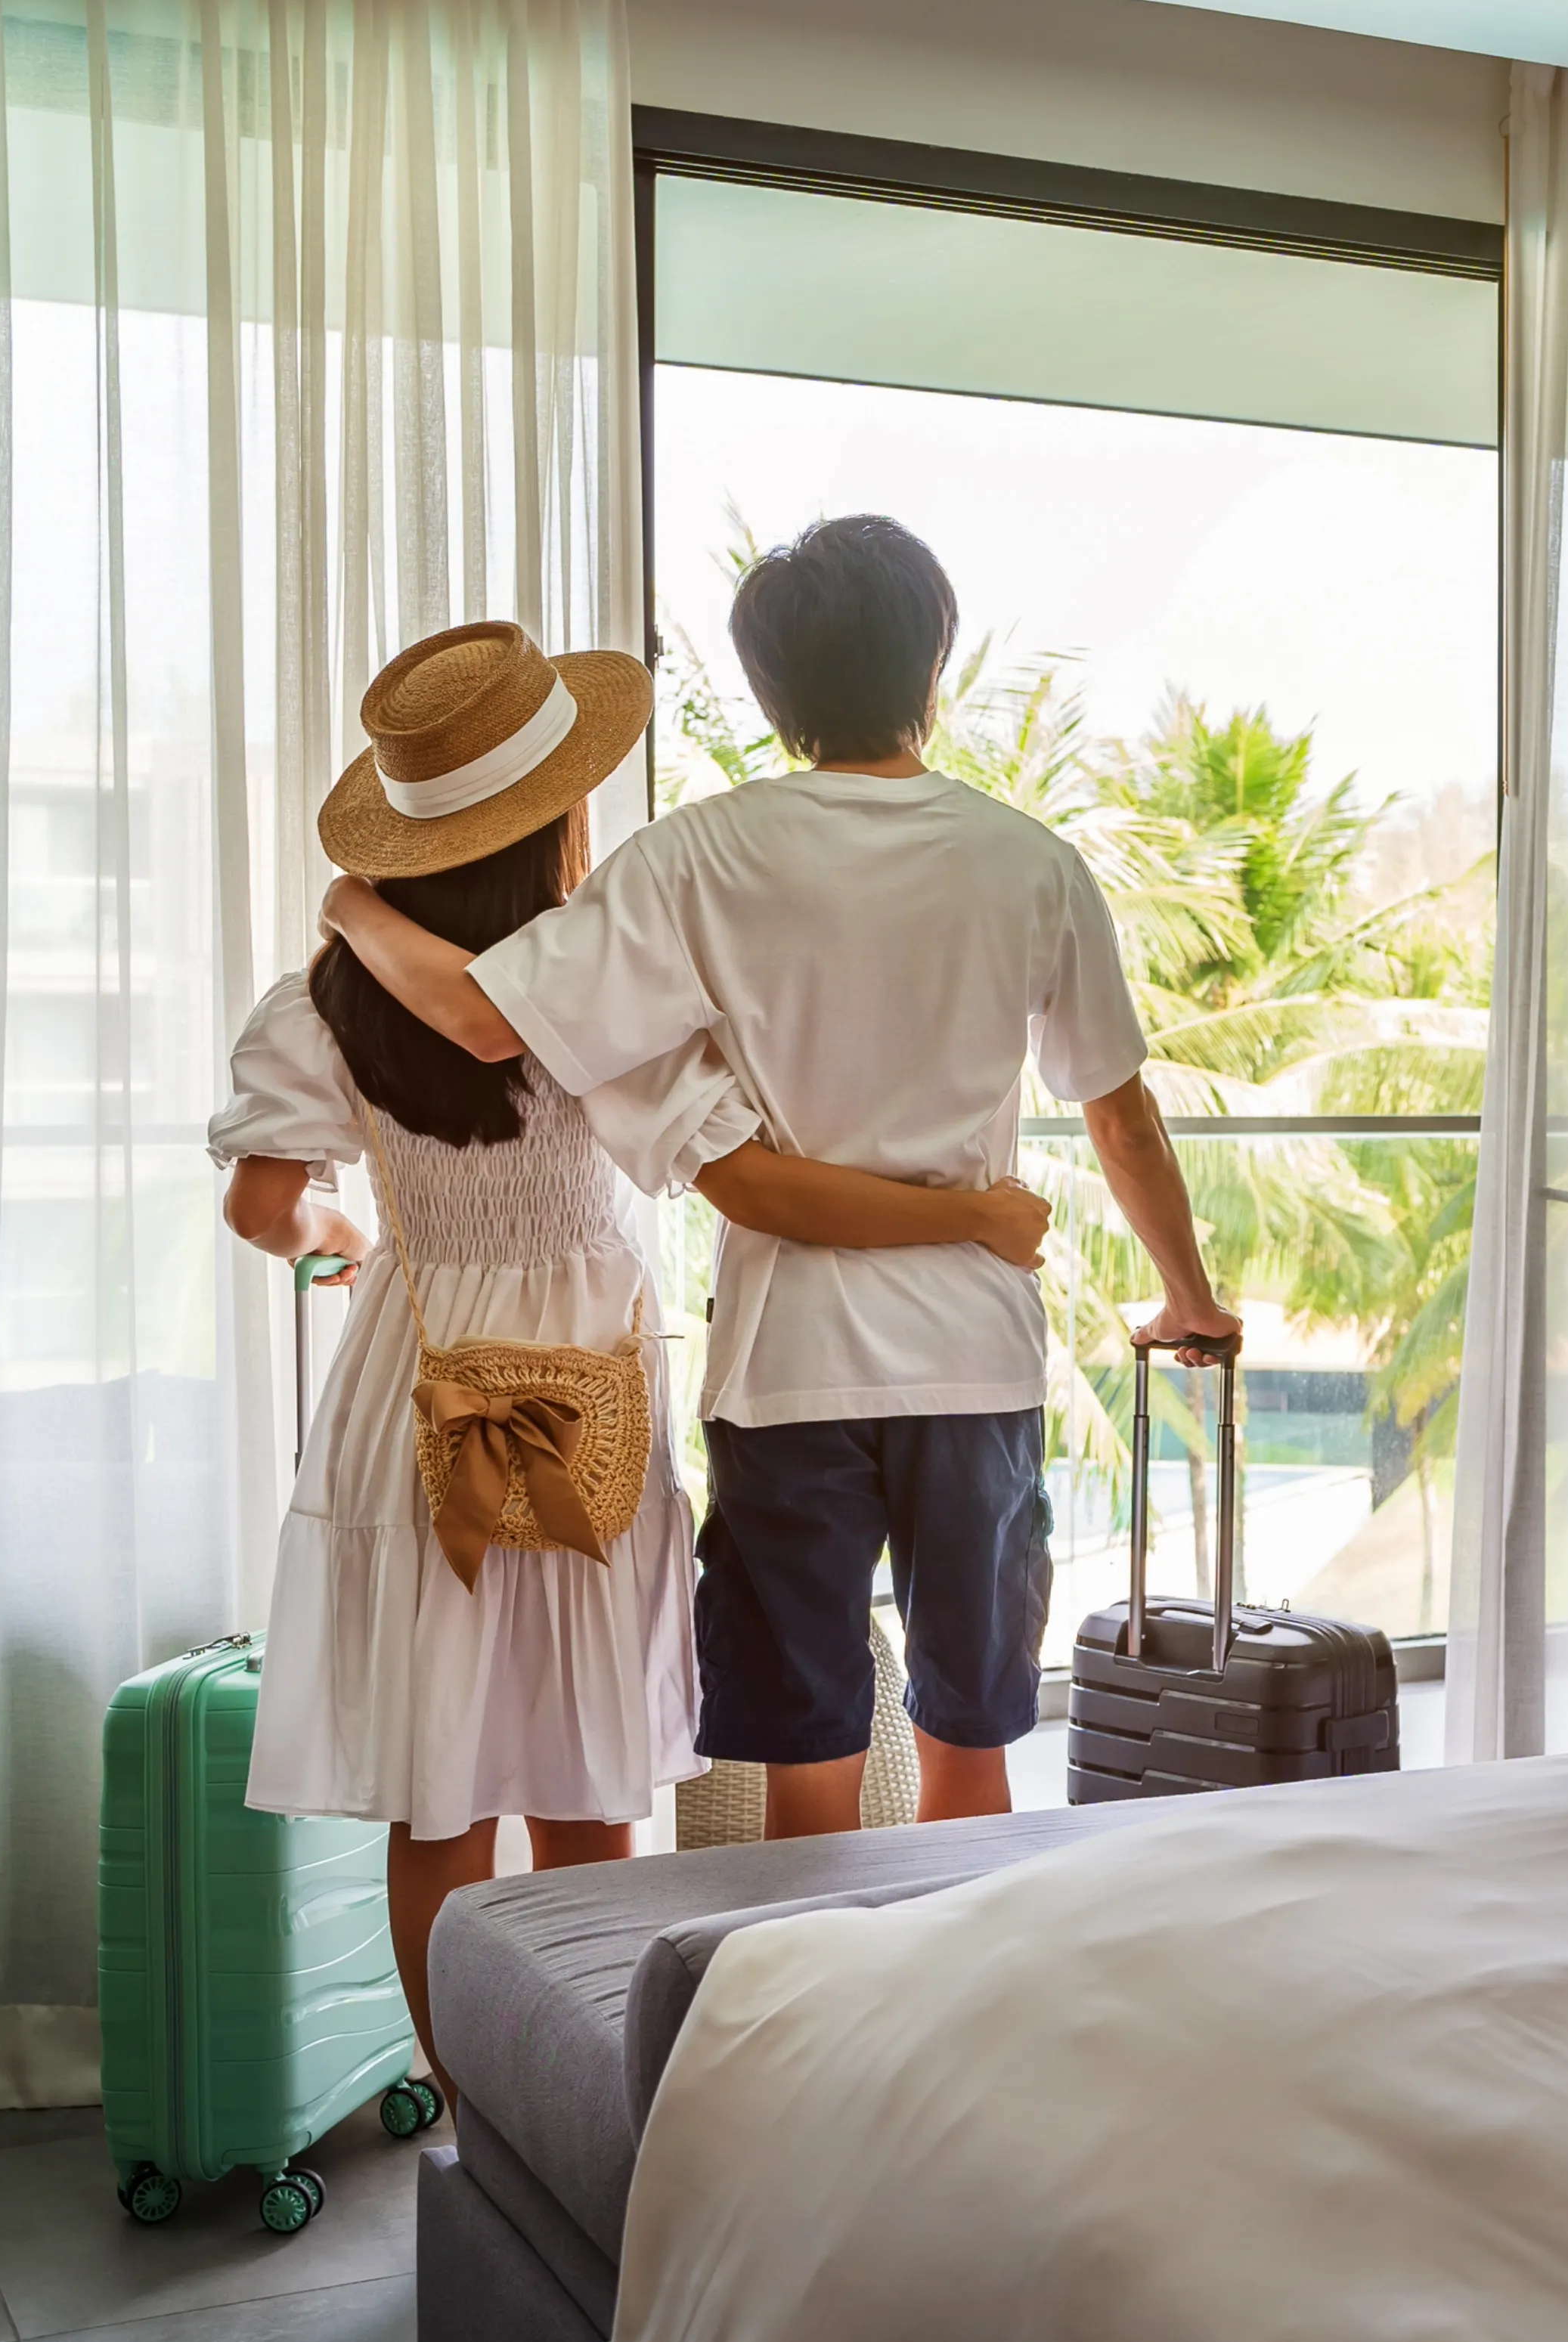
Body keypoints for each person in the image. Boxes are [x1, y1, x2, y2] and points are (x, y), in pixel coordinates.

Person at [212, 618, 1049, 2100]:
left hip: (419, 1404)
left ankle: (471, 2109)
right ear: (552, 823)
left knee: (440, 1794)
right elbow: (714, 1162)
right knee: (584, 1781)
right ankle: (584, 2099)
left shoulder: (324, 996)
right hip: (586, 1398)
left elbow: (264, 1202)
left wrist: (354, 1232)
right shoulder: (607, 1004)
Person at [322, 517, 1233, 1841]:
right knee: (969, 1748)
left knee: (812, 1768)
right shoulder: (1031, 863)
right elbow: (1123, 1114)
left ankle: (823, 2037)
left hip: (787, 1371)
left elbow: (481, 1017)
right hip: (971, 1361)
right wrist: (1186, 1299)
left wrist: (350, 907)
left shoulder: (699, 854)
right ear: (935, 656)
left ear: (771, 691)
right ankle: (956, 2034)